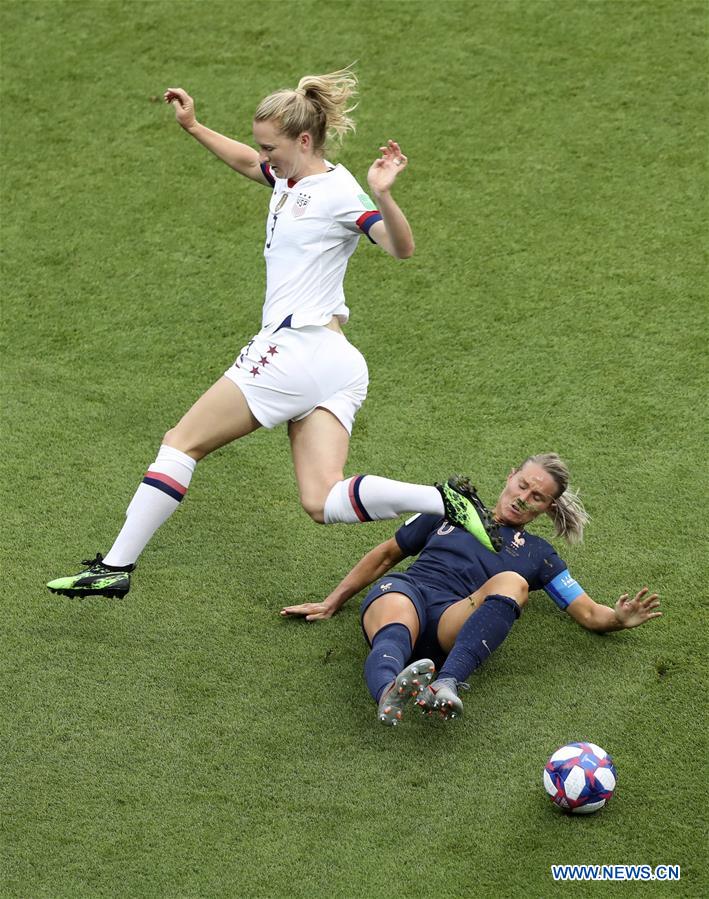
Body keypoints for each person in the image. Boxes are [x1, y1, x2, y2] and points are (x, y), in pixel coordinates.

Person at [47, 68, 499, 600]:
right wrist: (193, 126)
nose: (266, 157)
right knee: (321, 499)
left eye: (272, 147)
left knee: (180, 443)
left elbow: (400, 248)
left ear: (304, 141)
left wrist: (382, 194)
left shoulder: (339, 192)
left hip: (294, 348)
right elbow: (247, 162)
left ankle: (115, 566)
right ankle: (443, 500)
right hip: (336, 362)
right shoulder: (288, 179)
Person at [281, 453, 661, 726]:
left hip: (454, 618)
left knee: (514, 582)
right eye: (522, 485)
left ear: (547, 507)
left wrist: (618, 618)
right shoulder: (451, 509)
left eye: (537, 497)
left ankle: (446, 683)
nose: (522, 498)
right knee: (396, 613)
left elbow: (590, 613)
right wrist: (332, 602)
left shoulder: (539, 555)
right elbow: (386, 555)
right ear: (510, 476)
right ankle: (387, 692)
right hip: (406, 593)